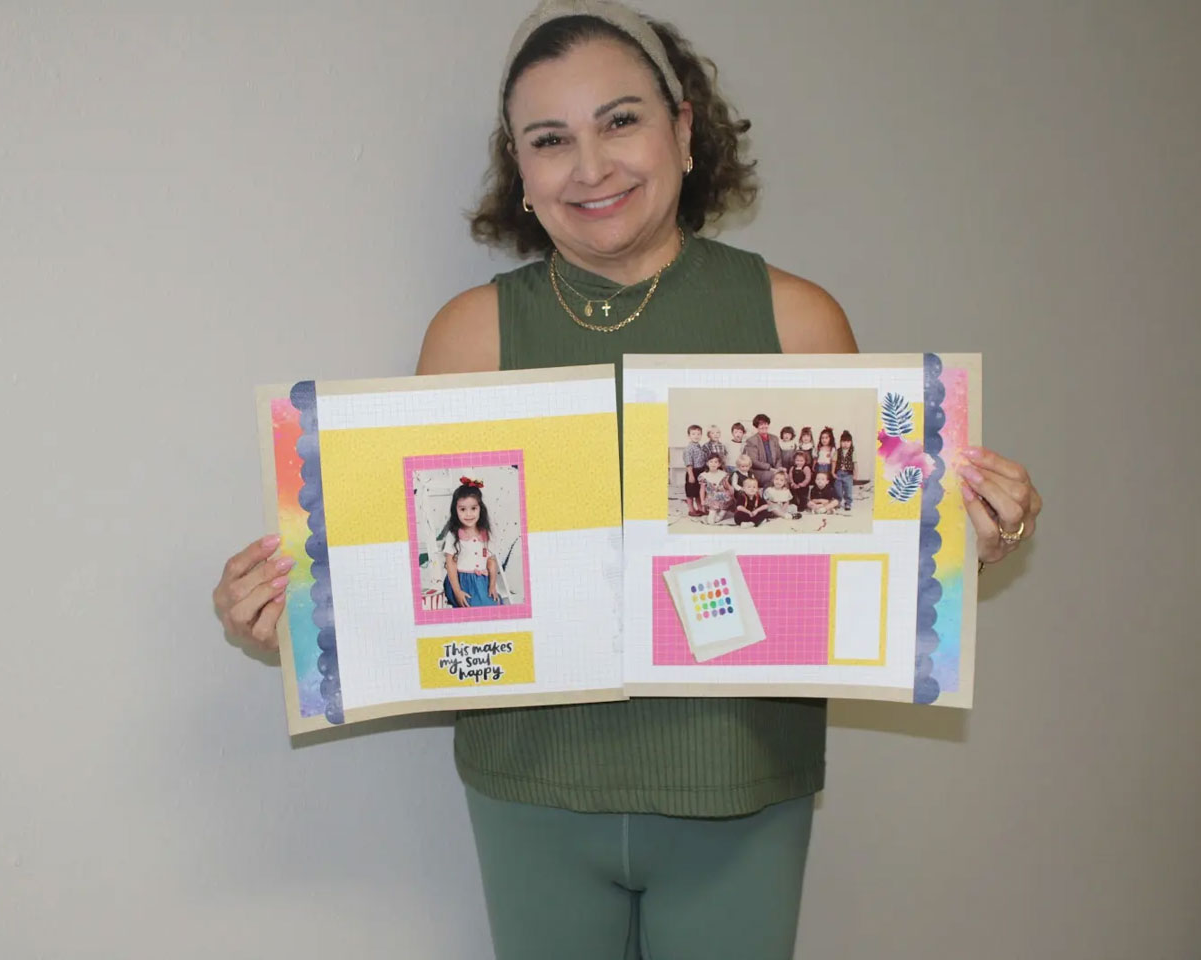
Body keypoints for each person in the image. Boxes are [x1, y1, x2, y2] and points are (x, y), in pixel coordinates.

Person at [212, 2, 1043, 956]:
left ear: (684, 130)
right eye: (550, 139)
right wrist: (295, 611)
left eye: (620, 120)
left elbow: (875, 564)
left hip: (740, 791)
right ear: (520, 172)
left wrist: (978, 535)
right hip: (532, 793)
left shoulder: (797, 320)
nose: (591, 165)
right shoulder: (469, 336)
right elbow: (424, 576)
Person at [442, 479, 505, 607]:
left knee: (494, 604)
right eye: (463, 509)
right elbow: (450, 564)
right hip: (461, 581)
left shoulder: (486, 534)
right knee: (472, 605)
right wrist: (458, 591)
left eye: (473, 508)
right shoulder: (454, 535)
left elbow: (491, 561)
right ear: (456, 511)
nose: (469, 514)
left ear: (480, 509)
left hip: (482, 581)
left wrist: (492, 586)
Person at [743, 413, 783, 488]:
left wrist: (778, 468)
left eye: (765, 424)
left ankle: (785, 499)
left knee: (785, 476)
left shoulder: (774, 438)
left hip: (774, 469)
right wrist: (771, 469)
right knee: (777, 478)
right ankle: (767, 498)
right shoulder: (752, 440)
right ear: (757, 426)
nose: (764, 426)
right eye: (761, 424)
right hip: (759, 471)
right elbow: (753, 461)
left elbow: (778, 457)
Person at [698, 452, 735, 523]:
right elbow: (702, 489)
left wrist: (731, 490)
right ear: (707, 463)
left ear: (719, 464)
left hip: (723, 496)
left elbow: (727, 485)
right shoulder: (704, 476)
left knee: (727, 499)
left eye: (715, 462)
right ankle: (712, 515)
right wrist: (702, 501)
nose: (713, 464)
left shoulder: (723, 474)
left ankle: (721, 514)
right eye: (711, 462)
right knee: (711, 521)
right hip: (712, 498)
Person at [681, 423, 707, 516]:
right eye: (693, 434)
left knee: (698, 491)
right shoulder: (689, 448)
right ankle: (691, 510)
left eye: (698, 434)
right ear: (689, 436)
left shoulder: (699, 446)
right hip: (692, 471)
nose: (696, 436)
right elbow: (688, 463)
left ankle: (700, 508)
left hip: (700, 471)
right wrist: (691, 475)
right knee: (691, 492)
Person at [834, 429, 857, 511]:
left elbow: (855, 464)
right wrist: (833, 472)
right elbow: (834, 461)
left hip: (848, 474)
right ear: (840, 442)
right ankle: (838, 501)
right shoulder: (838, 451)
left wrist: (855, 474)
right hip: (839, 473)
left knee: (848, 489)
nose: (845, 443)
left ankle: (848, 503)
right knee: (838, 489)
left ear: (851, 442)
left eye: (848, 442)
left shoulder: (852, 452)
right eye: (843, 441)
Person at [788, 449, 814, 513]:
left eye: (801, 461)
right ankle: (794, 505)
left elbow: (808, 478)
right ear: (794, 460)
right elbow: (790, 477)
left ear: (805, 461)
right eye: (797, 460)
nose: (799, 462)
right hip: (794, 485)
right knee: (793, 495)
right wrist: (792, 483)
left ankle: (802, 507)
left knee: (803, 497)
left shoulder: (805, 468)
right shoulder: (792, 468)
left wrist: (802, 484)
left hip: (803, 486)